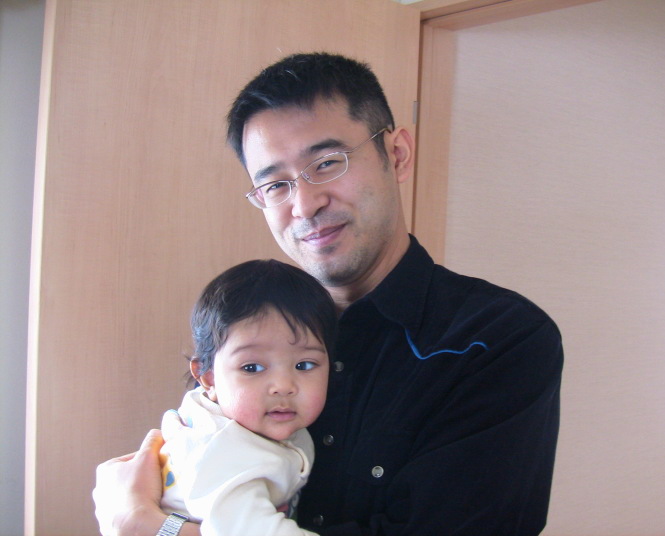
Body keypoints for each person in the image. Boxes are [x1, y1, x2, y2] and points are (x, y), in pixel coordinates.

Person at [93, 52, 564, 536]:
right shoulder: (246, 333)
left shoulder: (497, 340)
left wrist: (151, 528)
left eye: (326, 163)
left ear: (397, 155)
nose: (304, 204)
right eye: (274, 185)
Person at [154, 259, 337, 536]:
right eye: (252, 368)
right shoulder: (221, 451)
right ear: (208, 378)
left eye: (304, 365)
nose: (283, 386)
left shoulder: (247, 427)